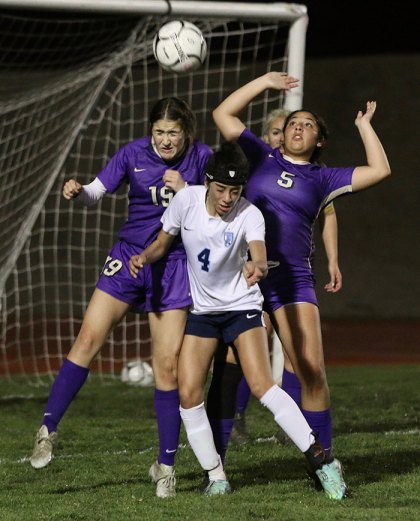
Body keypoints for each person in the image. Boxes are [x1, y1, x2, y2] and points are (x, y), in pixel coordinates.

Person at [130, 141, 347, 500]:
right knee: (188, 394)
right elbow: (162, 243)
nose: (228, 197)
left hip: (242, 309)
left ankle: (321, 461)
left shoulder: (250, 214)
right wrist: (144, 256)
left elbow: (259, 254)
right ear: (207, 182)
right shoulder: (185, 201)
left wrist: (258, 266)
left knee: (263, 386)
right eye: (221, 189)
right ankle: (217, 476)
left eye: (235, 190)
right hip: (203, 314)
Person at [212, 71, 391, 486]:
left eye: (308, 125)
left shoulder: (324, 178)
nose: (299, 127)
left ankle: (324, 465)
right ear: (281, 133)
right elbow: (223, 112)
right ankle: (216, 469)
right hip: (242, 277)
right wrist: (264, 82)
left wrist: (364, 127)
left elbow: (380, 169)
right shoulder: (261, 155)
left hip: (292, 279)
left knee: (311, 368)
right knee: (229, 370)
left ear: (319, 141)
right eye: (294, 122)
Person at [29, 97, 213, 499]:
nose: (166, 141)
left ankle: (166, 467)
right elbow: (97, 190)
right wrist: (79, 191)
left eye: (174, 133)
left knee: (166, 367)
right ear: (151, 131)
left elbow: (220, 204)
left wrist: (190, 190)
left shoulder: (202, 157)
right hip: (128, 258)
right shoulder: (132, 153)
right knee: (87, 339)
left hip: (175, 264)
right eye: (159, 132)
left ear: (187, 133)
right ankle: (48, 429)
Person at [229, 107, 342, 444]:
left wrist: (333, 259)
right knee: (247, 346)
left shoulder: (315, 176)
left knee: (299, 356)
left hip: (291, 272)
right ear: (269, 137)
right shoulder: (259, 164)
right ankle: (235, 420)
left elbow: (328, 214)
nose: (286, 134)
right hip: (251, 270)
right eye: (279, 130)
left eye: (293, 128)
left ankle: (294, 427)